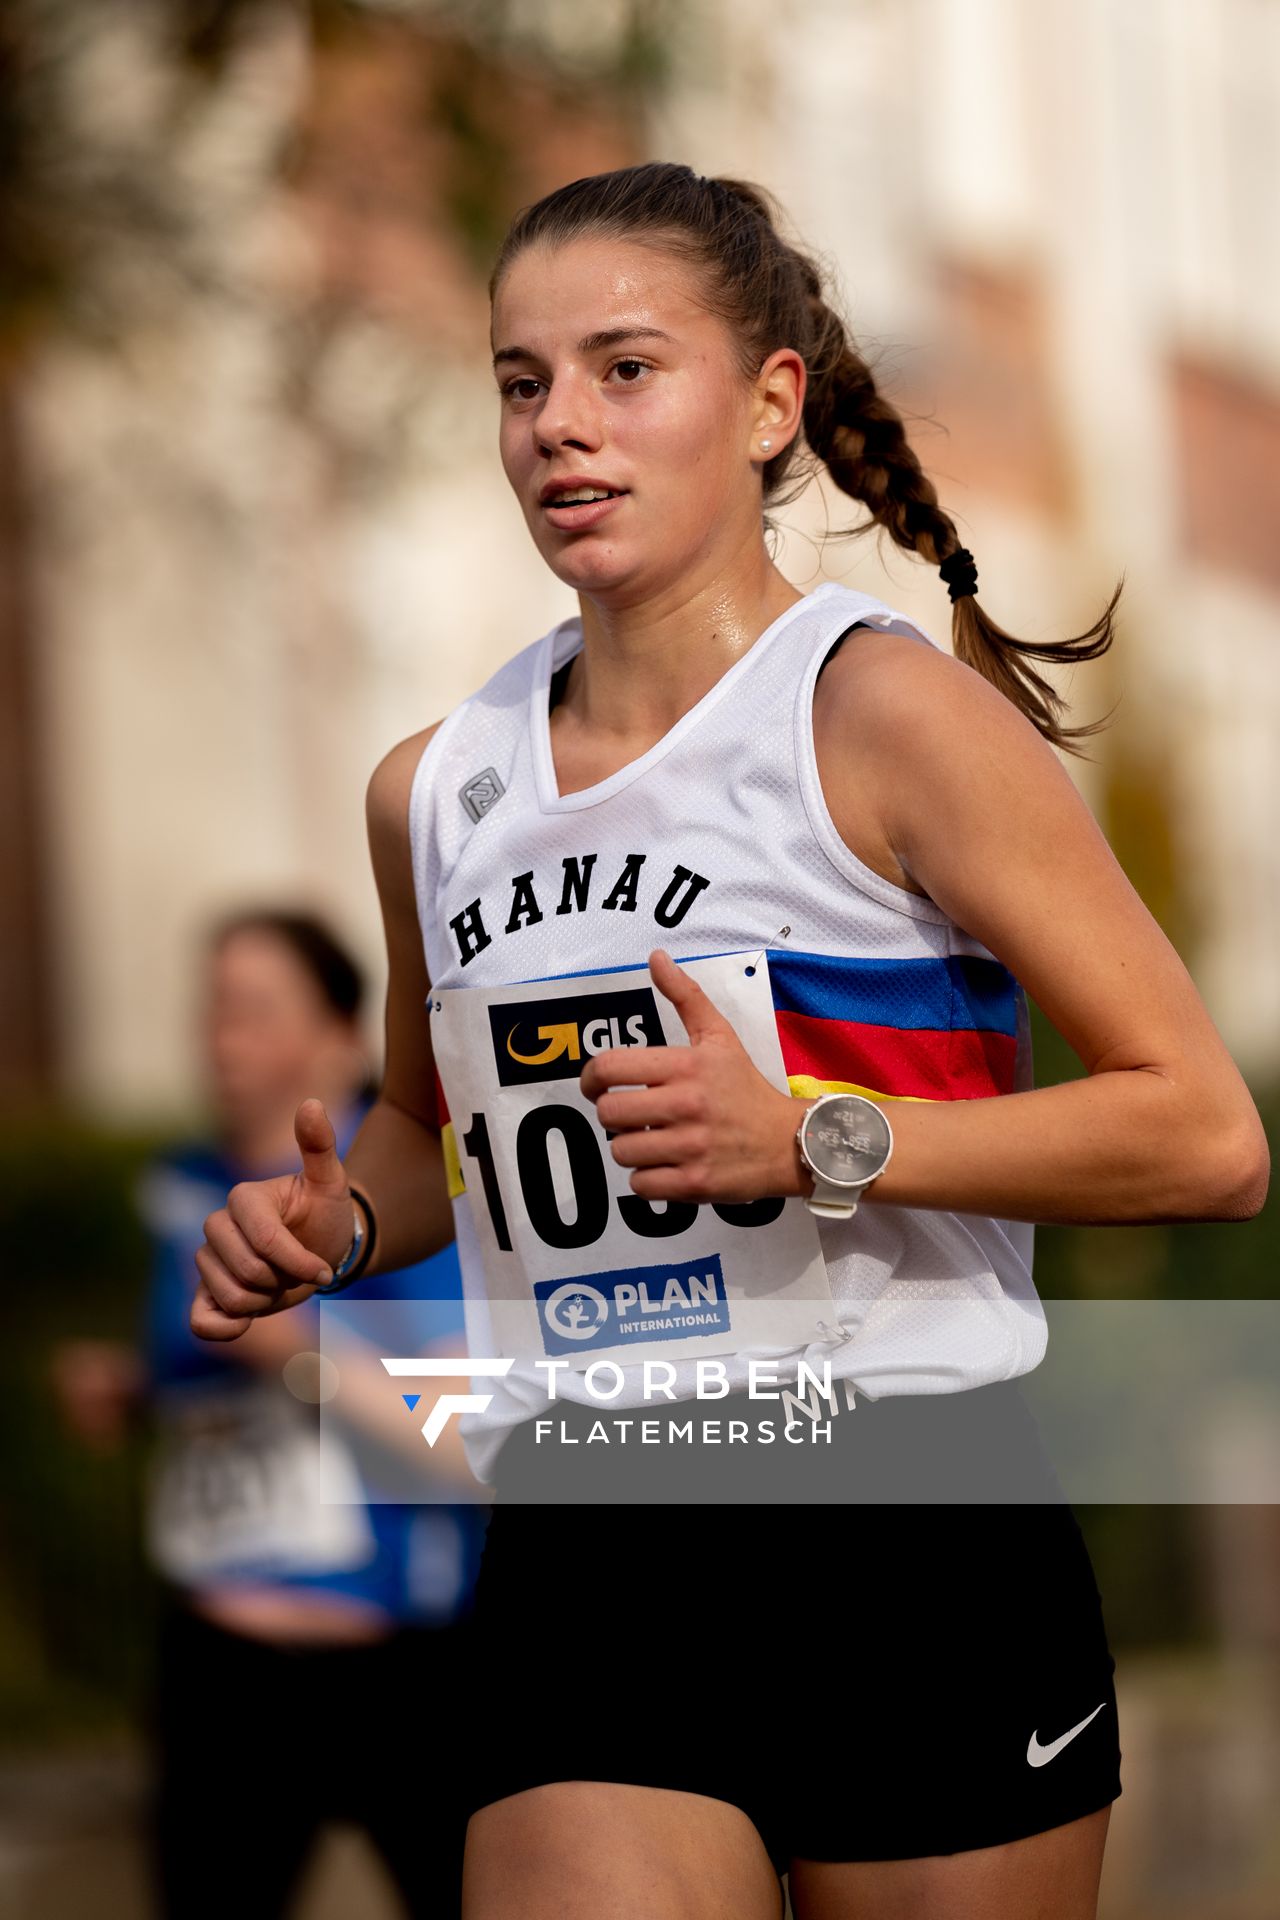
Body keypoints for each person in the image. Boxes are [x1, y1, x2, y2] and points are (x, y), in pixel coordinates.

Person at [190, 164, 1270, 1920]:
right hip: (594, 1530)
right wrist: (337, 1224)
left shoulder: (885, 714)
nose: (561, 427)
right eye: (523, 382)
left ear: (770, 403)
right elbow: (420, 1120)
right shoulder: (437, 789)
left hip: (909, 1528)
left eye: (627, 369)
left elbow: (1207, 1136)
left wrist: (812, 1138)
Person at [55, 907, 485, 1919]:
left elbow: (468, 1438)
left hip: (400, 1659)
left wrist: (295, 1358)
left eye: (252, 1010)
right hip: (219, 1656)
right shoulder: (185, 1186)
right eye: (210, 1009)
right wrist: (142, 1385)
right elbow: (222, 1369)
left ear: (342, 1035)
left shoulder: (409, 1198)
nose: (219, 1038)